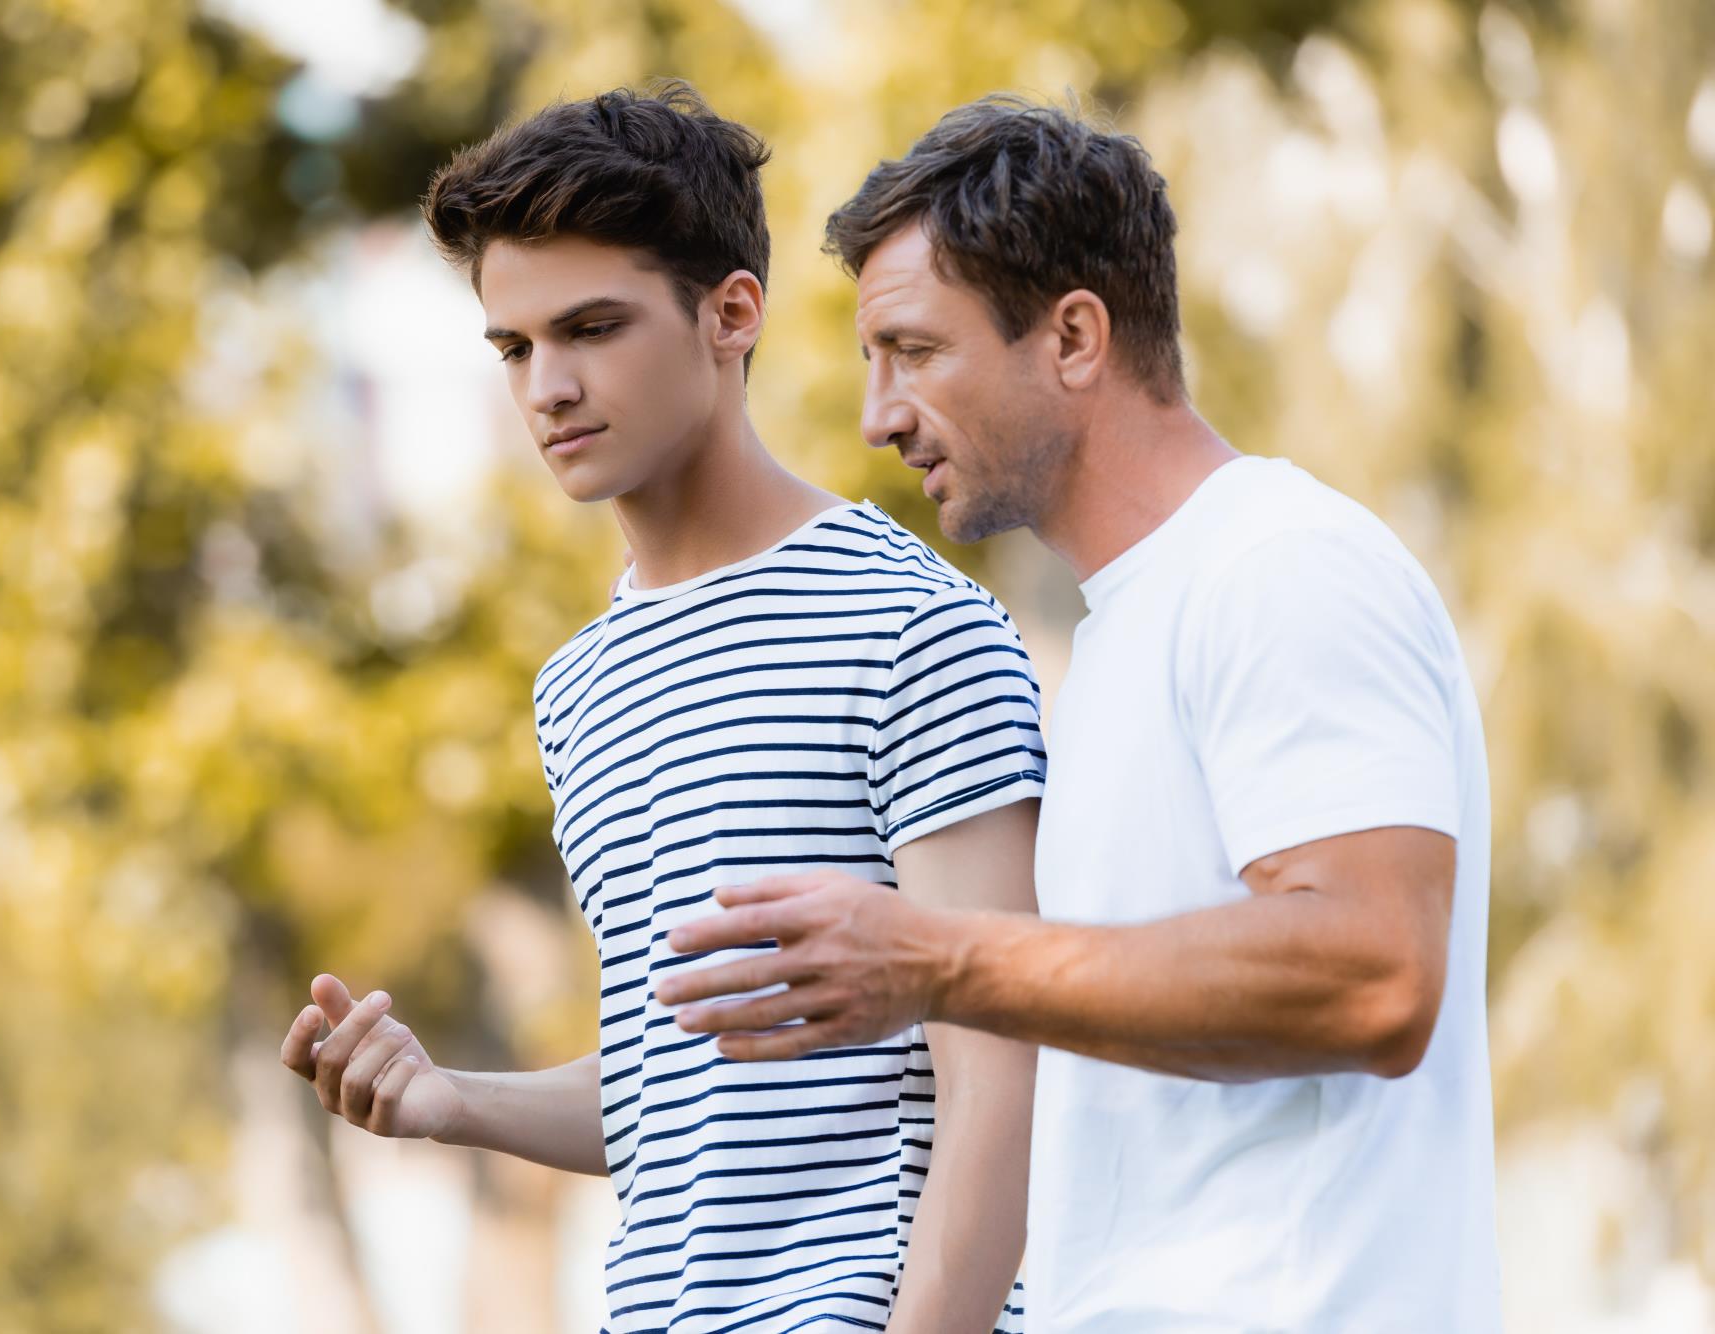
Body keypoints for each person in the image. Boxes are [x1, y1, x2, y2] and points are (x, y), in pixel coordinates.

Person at [660, 96, 1502, 1332]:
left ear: (1070, 337)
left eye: (914, 351)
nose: (877, 415)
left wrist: (938, 957)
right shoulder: (1119, 635)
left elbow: (1373, 969)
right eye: (869, 361)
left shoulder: (1280, 565)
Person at [279, 82, 1043, 1334]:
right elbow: (672, 1092)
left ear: (729, 313)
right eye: (515, 346)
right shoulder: (578, 684)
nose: (548, 387)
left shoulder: (909, 621)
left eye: (592, 327)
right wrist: (448, 1098)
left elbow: (1001, 1067)